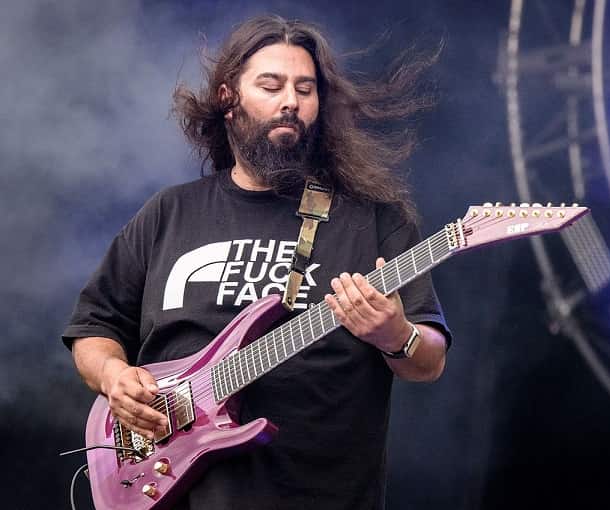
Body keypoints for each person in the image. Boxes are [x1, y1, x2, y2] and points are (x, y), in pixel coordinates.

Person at [63, 15, 451, 510]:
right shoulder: (170, 212)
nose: (291, 101)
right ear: (228, 99)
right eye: (271, 85)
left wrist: (396, 335)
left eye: (305, 89)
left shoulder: (373, 220)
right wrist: (115, 377)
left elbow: (430, 360)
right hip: (169, 486)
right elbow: (94, 326)